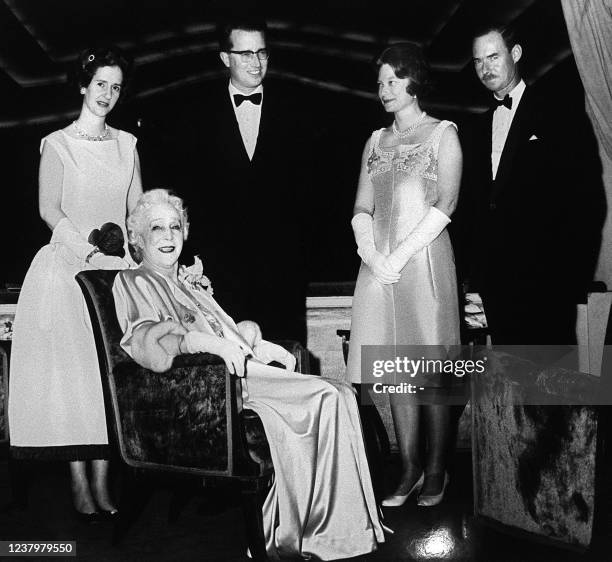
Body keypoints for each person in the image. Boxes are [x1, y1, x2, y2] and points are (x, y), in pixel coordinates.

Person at [112, 189, 385, 560]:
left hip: (234, 380)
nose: (167, 236)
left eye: (175, 227)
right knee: (329, 396)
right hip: (204, 397)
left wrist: (256, 343)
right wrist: (203, 345)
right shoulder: (136, 281)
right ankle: (306, 535)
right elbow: (145, 341)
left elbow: (223, 332)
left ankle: (337, 530)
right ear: (137, 239)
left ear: (186, 232)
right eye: (156, 228)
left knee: (341, 394)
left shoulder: (188, 283)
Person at [8, 45, 142, 519]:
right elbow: (50, 210)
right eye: (100, 84)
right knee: (75, 382)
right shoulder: (57, 143)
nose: (107, 94)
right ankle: (79, 484)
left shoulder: (127, 144)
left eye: (116, 86)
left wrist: (145, 256)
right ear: (84, 86)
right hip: (68, 270)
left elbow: (136, 212)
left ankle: (105, 484)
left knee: (109, 381)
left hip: (117, 275)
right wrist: (89, 252)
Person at [346, 43, 462, 507]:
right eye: (379, 83)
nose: (384, 90)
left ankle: (436, 470)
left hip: (425, 265)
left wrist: (401, 256)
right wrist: (372, 254)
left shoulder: (442, 134)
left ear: (415, 81)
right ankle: (409, 467)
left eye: (393, 80)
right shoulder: (375, 140)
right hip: (379, 269)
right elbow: (361, 205)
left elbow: (446, 204)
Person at [173, 15, 308, 344]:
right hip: (220, 274)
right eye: (246, 54)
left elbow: (311, 195)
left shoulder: (297, 109)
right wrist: (196, 259)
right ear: (225, 58)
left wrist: (297, 253)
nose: (256, 62)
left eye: (262, 52)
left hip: (282, 274)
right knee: (229, 377)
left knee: (285, 367)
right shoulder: (194, 116)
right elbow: (186, 195)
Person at [465, 24, 591, 345]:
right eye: (478, 61)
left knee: (554, 383)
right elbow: (479, 206)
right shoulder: (477, 127)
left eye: (493, 56)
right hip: (497, 282)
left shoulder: (557, 110)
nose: (485, 68)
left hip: (548, 279)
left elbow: (586, 196)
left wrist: (572, 277)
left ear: (516, 54)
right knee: (515, 381)